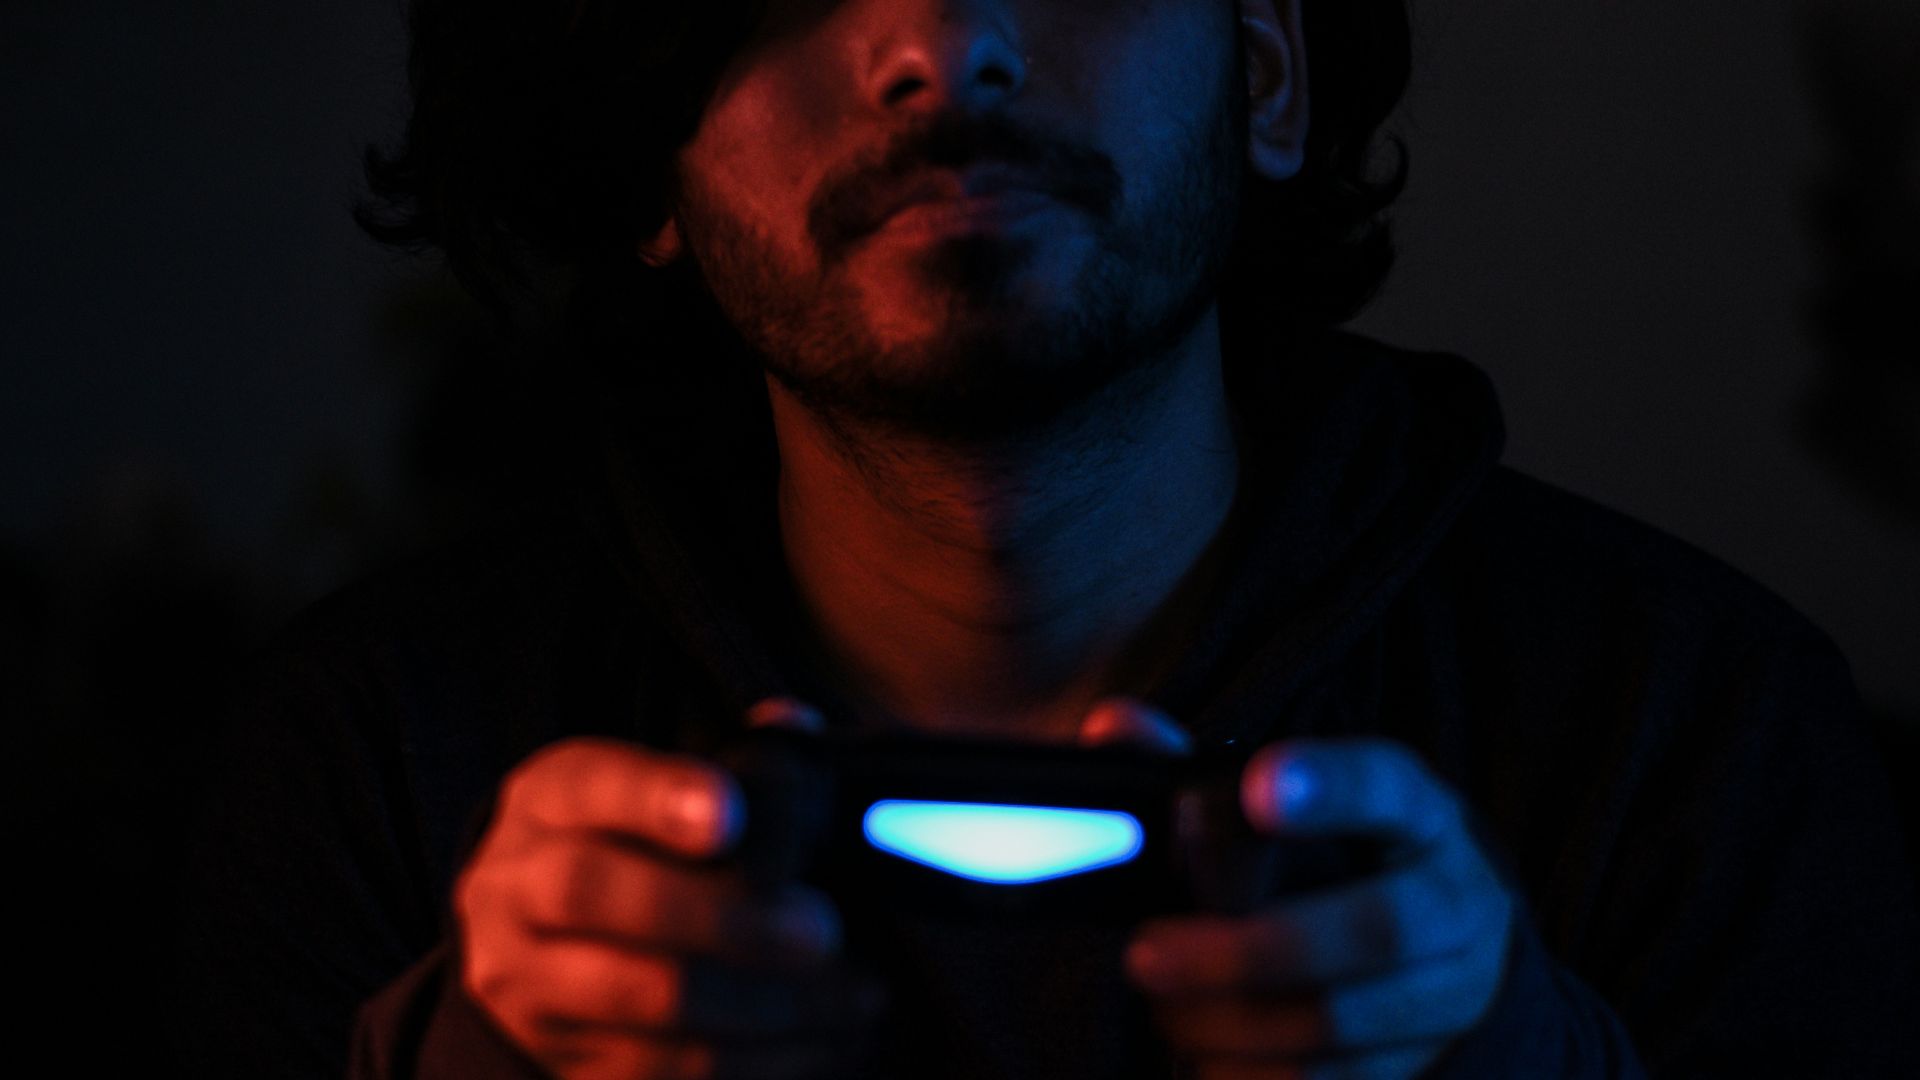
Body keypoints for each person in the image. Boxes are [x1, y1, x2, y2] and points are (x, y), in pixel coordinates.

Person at [168, 0, 1920, 1077]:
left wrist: (1499, 1058)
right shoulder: (377, 762)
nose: (947, 40)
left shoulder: (1696, 728)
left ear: (1267, 69)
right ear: (642, 157)